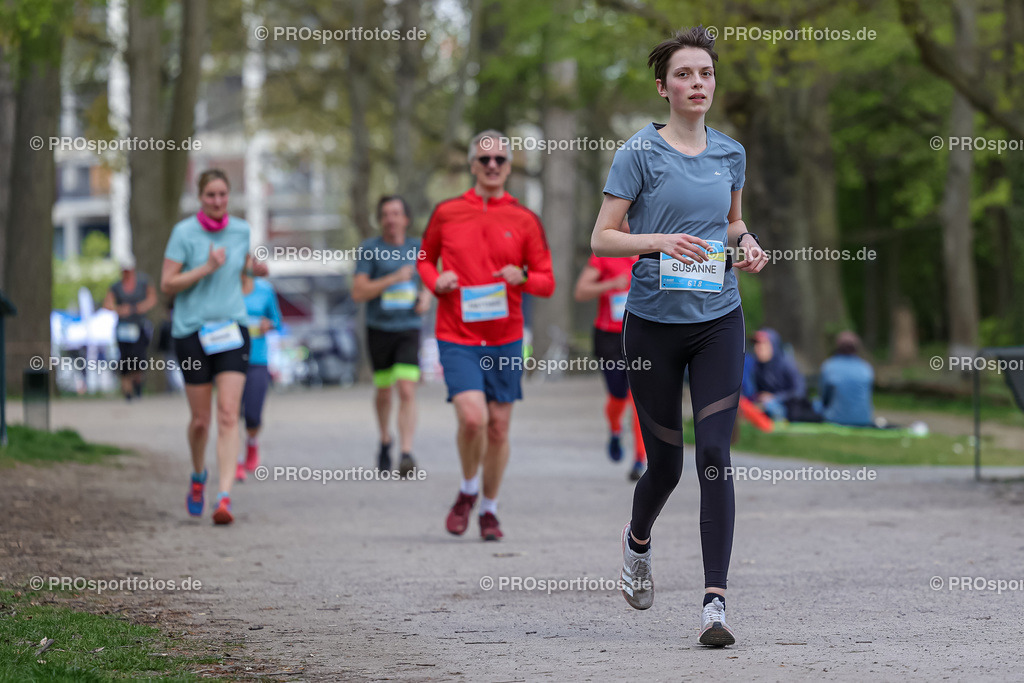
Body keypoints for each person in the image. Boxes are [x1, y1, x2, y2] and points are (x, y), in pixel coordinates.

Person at [590, 26, 768, 646]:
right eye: (685, 75)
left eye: (706, 74)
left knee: (714, 455)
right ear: (664, 88)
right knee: (665, 465)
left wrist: (748, 242)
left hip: (718, 318)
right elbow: (602, 238)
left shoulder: (731, 153)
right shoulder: (638, 153)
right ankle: (637, 541)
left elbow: (732, 222)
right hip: (653, 327)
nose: (698, 84)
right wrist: (659, 241)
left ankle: (715, 605)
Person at [417, 130, 555, 541]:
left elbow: (547, 281)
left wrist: (523, 276)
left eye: (499, 160)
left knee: (498, 427)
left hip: (505, 338)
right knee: (473, 419)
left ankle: (489, 510)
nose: (492, 166)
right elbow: (424, 257)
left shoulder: (525, 219)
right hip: (457, 334)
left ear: (509, 167)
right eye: (484, 159)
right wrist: (435, 280)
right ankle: (467, 489)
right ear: (472, 165)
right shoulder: (447, 212)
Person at [161, 169, 268, 525]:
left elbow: (242, 267)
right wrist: (205, 268)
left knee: (227, 414)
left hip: (232, 329)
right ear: (200, 197)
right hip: (191, 332)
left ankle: (224, 497)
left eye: (223, 194)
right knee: (200, 421)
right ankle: (198, 476)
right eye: (211, 195)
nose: (218, 201)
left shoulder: (241, 230)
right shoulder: (183, 233)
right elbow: (167, 284)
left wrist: (255, 270)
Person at [352, 195, 430, 476]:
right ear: (380, 220)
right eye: (385, 214)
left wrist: (426, 297)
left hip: (408, 327)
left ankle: (406, 453)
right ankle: (385, 439)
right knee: (384, 391)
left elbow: (430, 281)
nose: (391, 219)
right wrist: (392, 279)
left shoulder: (418, 248)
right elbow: (359, 292)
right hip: (379, 328)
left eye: (396, 213)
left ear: (406, 219)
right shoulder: (370, 249)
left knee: (407, 389)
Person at [573, 250, 647, 480]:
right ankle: (615, 429)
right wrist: (611, 284)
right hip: (609, 337)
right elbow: (581, 292)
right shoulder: (606, 254)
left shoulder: (655, 250)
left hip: (641, 334)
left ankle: (639, 459)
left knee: (639, 400)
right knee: (617, 396)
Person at [235, 273, 283, 482]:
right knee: (231, 414)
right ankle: (236, 460)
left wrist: (268, 324)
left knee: (253, 415)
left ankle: (252, 443)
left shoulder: (265, 289)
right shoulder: (225, 287)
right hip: (230, 357)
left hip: (257, 359)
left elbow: (278, 321)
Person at [102, 256, 157, 401]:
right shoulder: (116, 286)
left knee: (139, 357)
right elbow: (107, 303)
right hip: (123, 328)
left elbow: (152, 299)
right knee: (125, 358)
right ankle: (126, 388)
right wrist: (120, 309)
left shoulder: (144, 282)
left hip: (140, 326)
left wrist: (136, 308)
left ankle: (137, 382)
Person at [747, 328, 807, 421]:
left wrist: (775, 398)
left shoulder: (787, 363)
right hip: (765, 405)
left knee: (772, 406)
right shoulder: (757, 366)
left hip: (789, 407)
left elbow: (800, 391)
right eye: (756, 344)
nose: (757, 348)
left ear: (773, 345)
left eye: (763, 344)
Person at [818, 330, 874, 426]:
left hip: (835, 419)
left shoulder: (829, 366)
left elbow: (824, 398)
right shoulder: (866, 367)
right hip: (863, 419)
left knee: (816, 404)